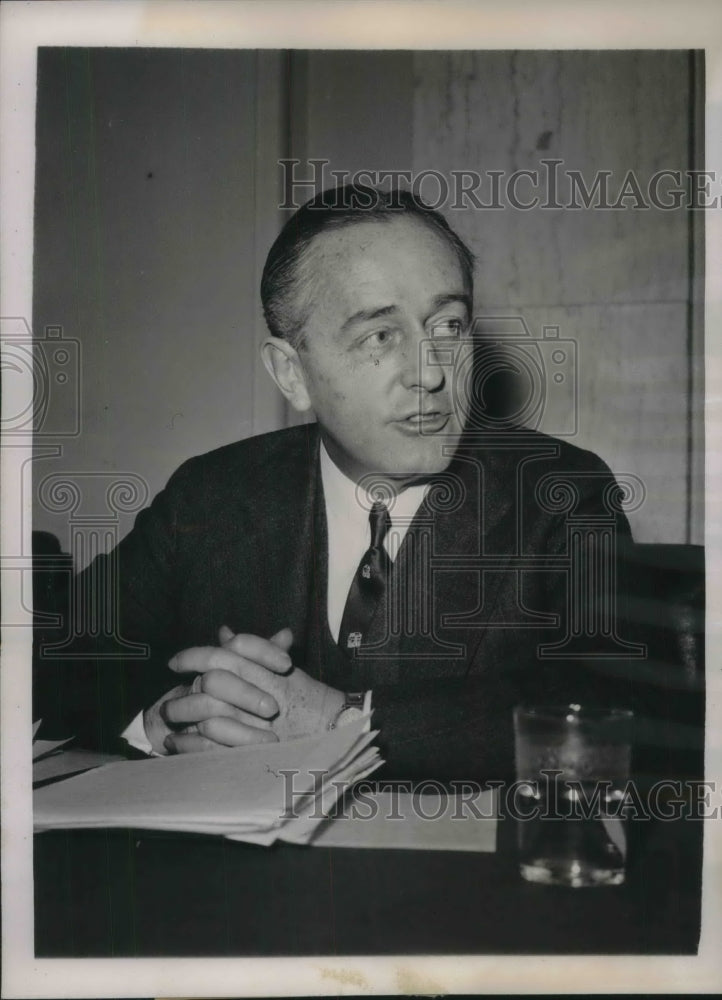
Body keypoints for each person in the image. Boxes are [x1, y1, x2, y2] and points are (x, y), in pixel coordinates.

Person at [34, 186, 637, 782]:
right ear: (292, 374)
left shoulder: (560, 491)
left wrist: (345, 723)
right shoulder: (208, 497)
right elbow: (56, 666)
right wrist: (160, 722)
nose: (430, 373)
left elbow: (611, 697)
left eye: (449, 326)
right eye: (380, 336)